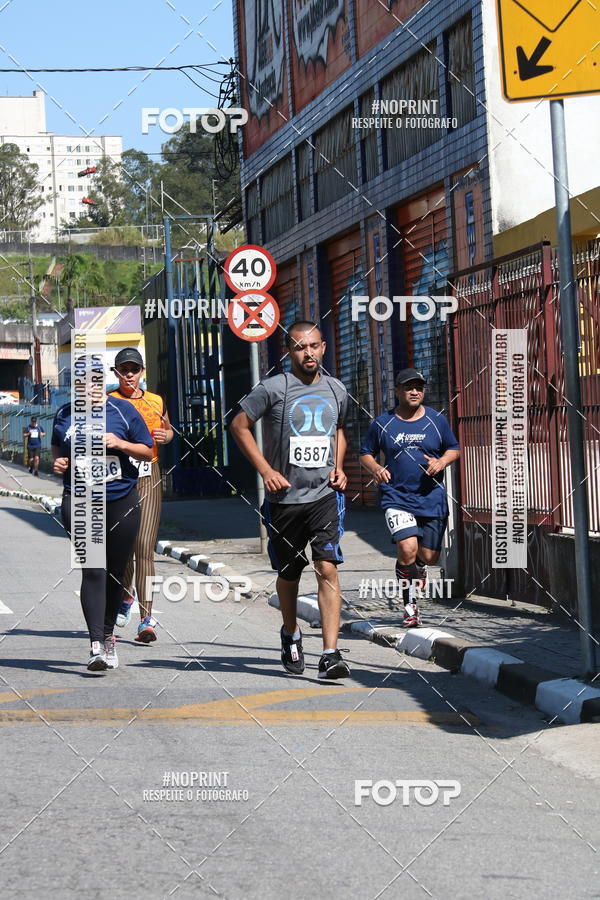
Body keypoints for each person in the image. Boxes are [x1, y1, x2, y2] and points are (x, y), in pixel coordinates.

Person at [230, 320, 351, 679]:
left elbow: (339, 429)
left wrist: (340, 466)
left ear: (323, 348)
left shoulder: (336, 389)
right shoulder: (273, 388)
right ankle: (290, 632)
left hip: (324, 496)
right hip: (284, 500)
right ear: (289, 351)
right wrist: (266, 470)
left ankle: (330, 653)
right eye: (300, 347)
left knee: (327, 567)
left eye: (313, 346)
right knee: (290, 573)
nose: (308, 353)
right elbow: (238, 425)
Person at [52, 357, 154, 671]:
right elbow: (57, 448)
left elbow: (147, 449)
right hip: (80, 501)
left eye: (95, 381)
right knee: (93, 569)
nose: (89, 388)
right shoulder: (65, 414)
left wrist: (121, 443)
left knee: (114, 572)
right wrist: (58, 464)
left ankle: (109, 634)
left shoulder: (123, 411)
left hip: (121, 500)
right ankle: (96, 644)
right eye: (82, 382)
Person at [359, 368, 460, 627]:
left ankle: (420, 567)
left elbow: (454, 448)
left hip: (431, 497)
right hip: (397, 496)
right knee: (407, 548)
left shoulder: (437, 421)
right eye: (408, 387)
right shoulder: (382, 423)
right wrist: (376, 469)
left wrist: (441, 462)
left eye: (419, 387)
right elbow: (365, 453)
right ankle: (410, 606)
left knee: (428, 556)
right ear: (397, 391)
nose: (414, 392)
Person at [109, 347, 173, 643]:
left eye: (134, 369)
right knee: (124, 546)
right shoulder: (109, 401)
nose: (130, 374)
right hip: (120, 478)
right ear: (117, 373)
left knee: (144, 546)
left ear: (142, 372)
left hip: (149, 475)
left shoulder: (156, 400)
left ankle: (147, 619)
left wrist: (166, 436)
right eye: (124, 370)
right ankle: (125, 596)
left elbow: (169, 430)